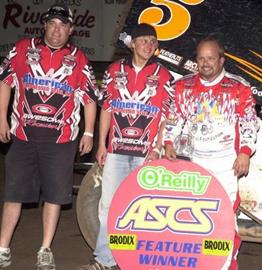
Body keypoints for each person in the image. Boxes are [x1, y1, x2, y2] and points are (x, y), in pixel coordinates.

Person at [0, 4, 99, 270]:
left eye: (62, 25)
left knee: (55, 196)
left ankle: (45, 248)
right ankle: (2, 247)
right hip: (22, 135)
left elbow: (90, 98)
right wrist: (0, 119)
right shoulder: (22, 49)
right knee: (13, 193)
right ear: (44, 25)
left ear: (71, 29)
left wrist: (89, 132)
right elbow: (4, 83)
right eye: (52, 24)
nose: (57, 30)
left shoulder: (79, 59)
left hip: (60, 142)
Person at [79, 23, 174, 270]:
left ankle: (138, 261)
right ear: (132, 43)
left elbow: (167, 116)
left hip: (146, 155)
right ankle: (104, 259)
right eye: (143, 40)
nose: (148, 45)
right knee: (109, 206)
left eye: (152, 42)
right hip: (117, 151)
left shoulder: (164, 76)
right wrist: (101, 144)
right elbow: (107, 109)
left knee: (144, 209)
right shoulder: (114, 70)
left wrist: (157, 147)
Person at [163, 36, 259, 270]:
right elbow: (173, 120)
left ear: (222, 60)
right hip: (193, 163)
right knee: (193, 218)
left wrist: (245, 152)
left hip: (225, 164)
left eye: (211, 58)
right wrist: (168, 143)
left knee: (223, 218)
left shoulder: (239, 87)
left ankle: (224, 265)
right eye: (201, 58)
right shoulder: (183, 86)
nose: (205, 63)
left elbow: (249, 123)